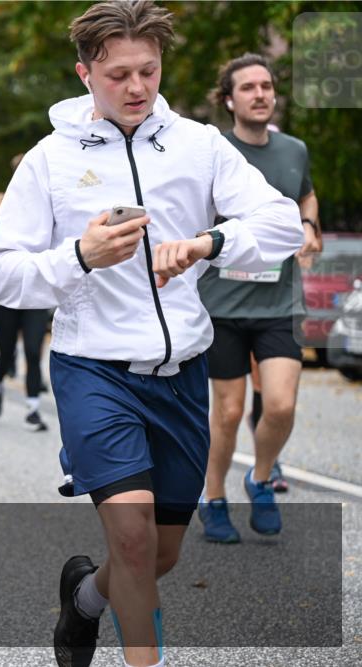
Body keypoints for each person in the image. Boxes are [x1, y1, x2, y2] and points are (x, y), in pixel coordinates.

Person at [0, 3, 303, 666]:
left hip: (182, 374)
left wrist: (210, 242)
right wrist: (80, 256)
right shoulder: (49, 160)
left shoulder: (198, 145)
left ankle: (84, 598)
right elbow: (1, 274)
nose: (136, 87)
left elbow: (282, 224)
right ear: (85, 74)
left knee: (159, 554)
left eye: (148, 71)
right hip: (94, 371)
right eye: (118, 74)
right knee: (131, 539)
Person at [196, 53, 322, 543]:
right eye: (248, 87)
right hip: (222, 305)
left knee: (282, 405)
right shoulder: (212, 152)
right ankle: (214, 498)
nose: (260, 94)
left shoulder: (293, 150)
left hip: (279, 304)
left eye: (266, 86)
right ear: (229, 99)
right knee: (228, 413)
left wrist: (308, 224)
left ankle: (261, 478)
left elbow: (305, 194)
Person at [0, 154, 51, 430]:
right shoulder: (2, 205)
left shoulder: (49, 202)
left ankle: (33, 410)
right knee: (6, 353)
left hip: (35, 290)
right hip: (8, 292)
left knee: (34, 352)